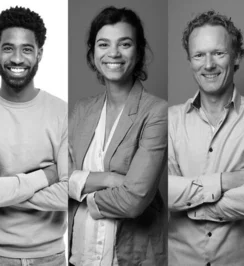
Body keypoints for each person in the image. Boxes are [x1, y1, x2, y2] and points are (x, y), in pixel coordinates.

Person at [0, 6, 68, 266]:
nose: (17, 58)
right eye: (8, 48)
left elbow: (69, 193)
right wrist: (45, 176)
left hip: (51, 258)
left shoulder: (63, 113)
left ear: (39, 54)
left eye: (26, 49)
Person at [67, 6, 168, 265]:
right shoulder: (81, 110)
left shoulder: (157, 112)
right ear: (92, 54)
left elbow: (134, 201)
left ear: (139, 52)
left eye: (124, 44)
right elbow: (56, 178)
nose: (113, 53)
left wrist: (78, 188)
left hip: (130, 256)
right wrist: (111, 179)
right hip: (78, 253)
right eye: (103, 44)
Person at [167, 10, 244, 265]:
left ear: (236, 58)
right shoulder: (169, 121)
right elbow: (163, 194)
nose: (208, 64)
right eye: (199, 55)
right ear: (190, 61)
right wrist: (227, 180)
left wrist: (189, 203)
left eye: (218, 53)